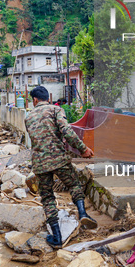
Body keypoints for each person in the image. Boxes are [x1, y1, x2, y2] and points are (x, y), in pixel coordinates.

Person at [25, 86, 96, 249]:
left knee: (47, 197)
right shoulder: (55, 109)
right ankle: (83, 214)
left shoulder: (28, 117)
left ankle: (56, 238)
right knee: (74, 185)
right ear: (46, 98)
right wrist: (82, 148)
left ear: (35, 100)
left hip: (40, 163)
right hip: (59, 159)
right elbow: (66, 130)